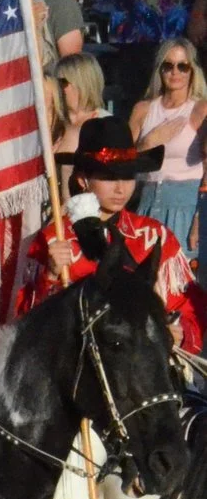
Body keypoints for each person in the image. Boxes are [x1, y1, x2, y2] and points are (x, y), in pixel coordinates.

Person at [18, 116, 201, 351]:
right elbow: (24, 321)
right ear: (83, 179)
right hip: (77, 366)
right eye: (108, 177)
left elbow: (190, 305)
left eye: (127, 177)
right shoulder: (55, 238)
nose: (120, 188)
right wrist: (50, 276)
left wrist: (181, 334)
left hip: (144, 366)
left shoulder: (155, 236)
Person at [129, 39, 207, 252]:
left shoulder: (200, 109)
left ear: (192, 70)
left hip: (187, 208)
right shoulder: (143, 110)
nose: (175, 72)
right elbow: (122, 162)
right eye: (168, 65)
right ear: (159, 69)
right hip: (146, 203)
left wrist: (201, 216)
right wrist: (149, 142)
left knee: (181, 281)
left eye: (182, 66)